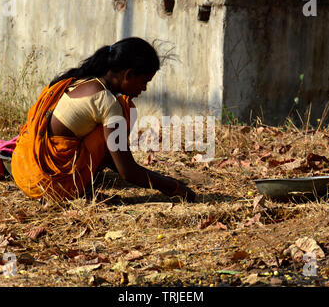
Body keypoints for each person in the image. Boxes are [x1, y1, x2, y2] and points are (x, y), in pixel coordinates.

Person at [11, 37, 195, 202]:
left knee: (117, 120)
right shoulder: (108, 104)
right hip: (49, 186)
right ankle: (78, 186)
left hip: (23, 168)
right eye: (144, 82)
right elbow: (128, 171)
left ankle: (85, 177)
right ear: (128, 75)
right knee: (122, 113)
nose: (144, 89)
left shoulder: (81, 80)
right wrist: (173, 187)